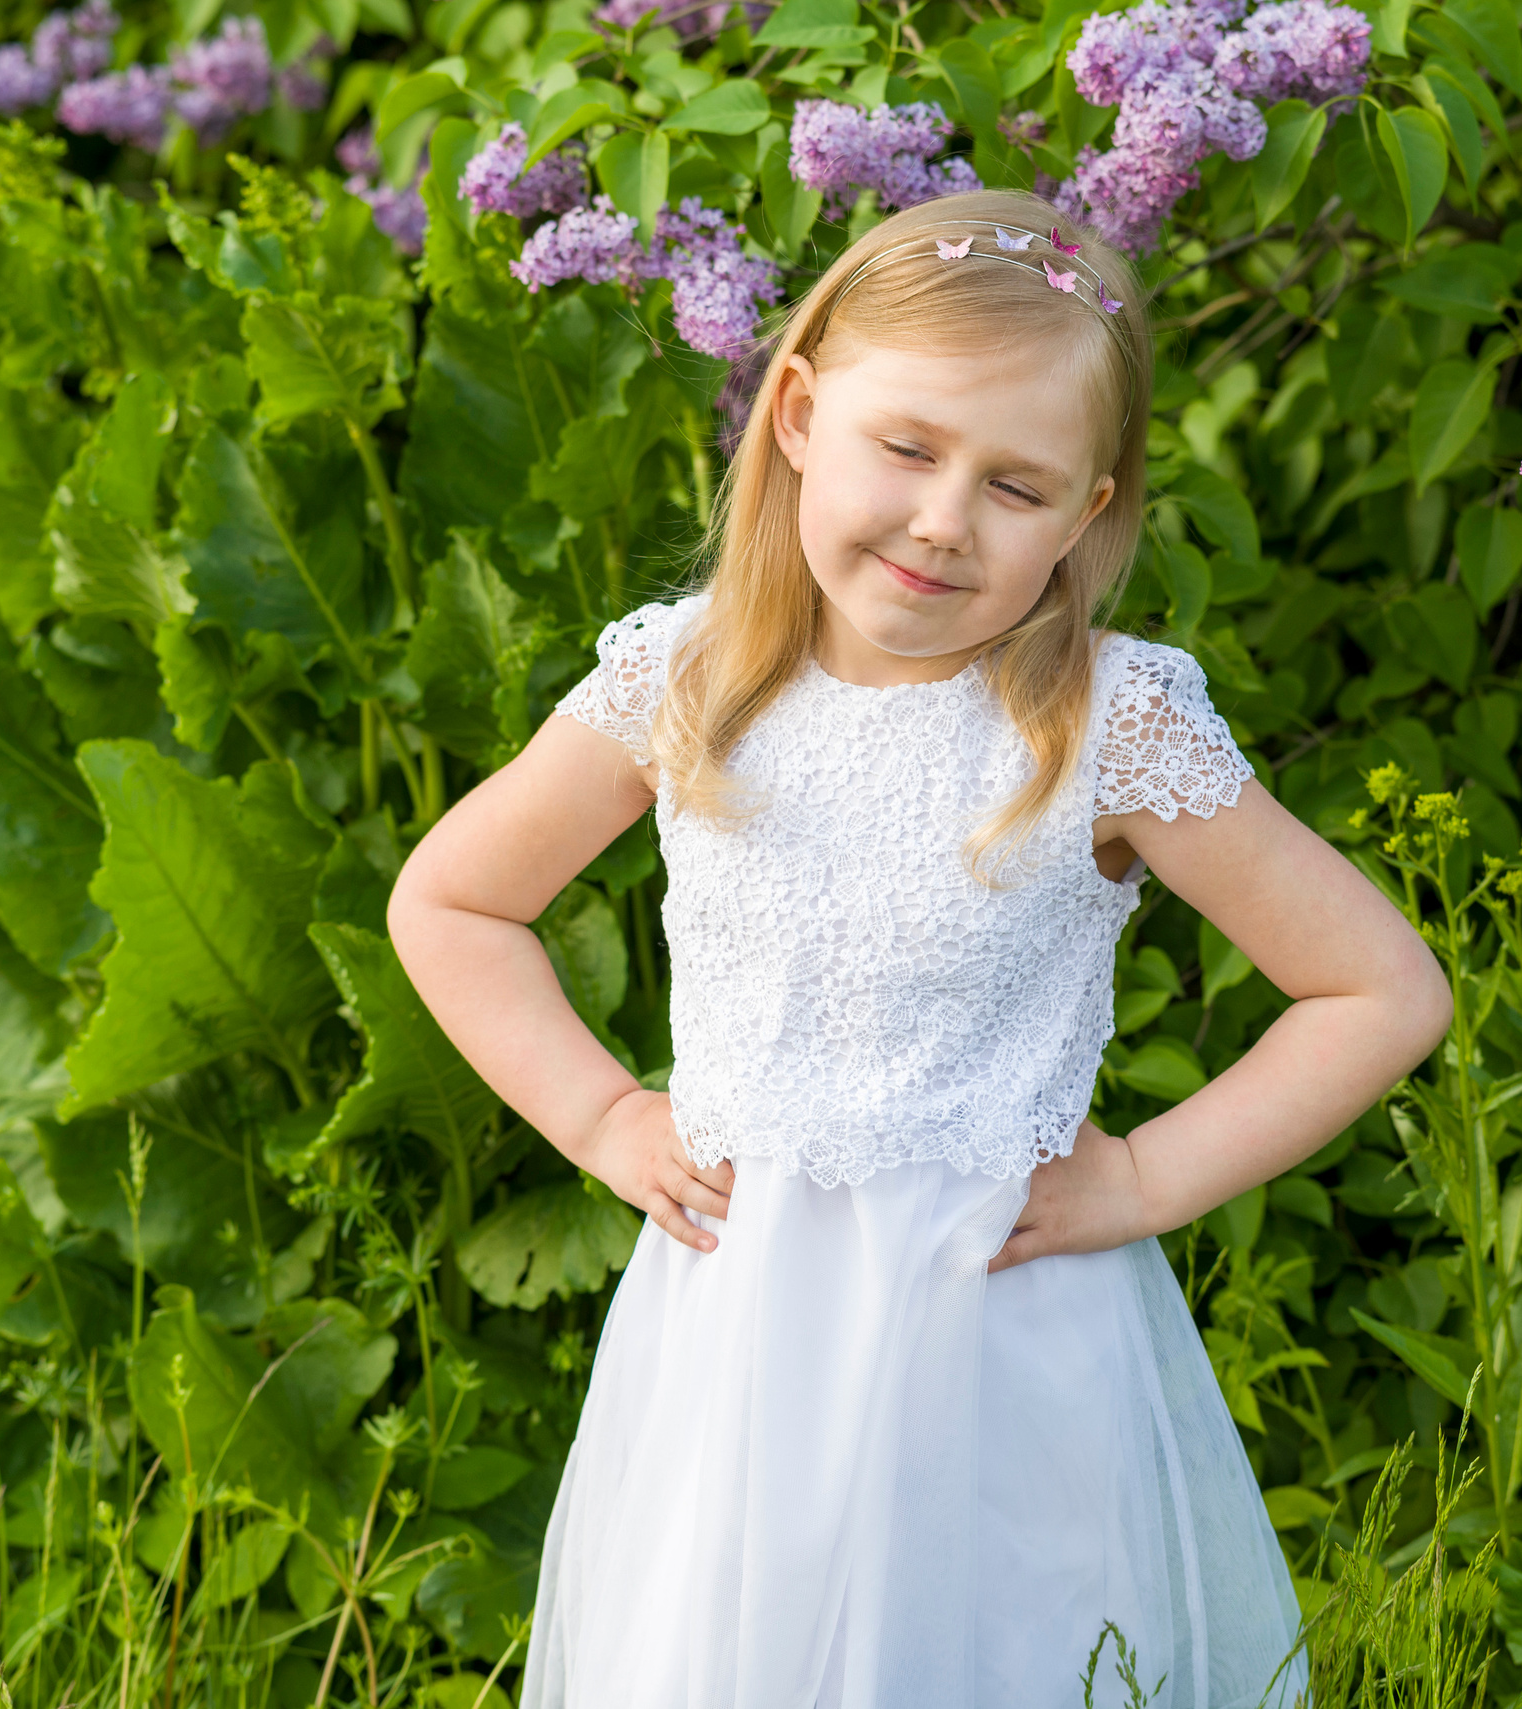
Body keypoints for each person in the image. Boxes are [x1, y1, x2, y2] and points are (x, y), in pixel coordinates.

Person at [387, 186, 1453, 1709]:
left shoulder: (1106, 722)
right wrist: (602, 1112)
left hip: (998, 1326)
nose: (947, 519)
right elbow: (451, 902)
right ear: (803, 412)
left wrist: (1147, 1178)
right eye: (908, 448)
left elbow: (1380, 987)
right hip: (746, 1330)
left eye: (1017, 486)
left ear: (1088, 513)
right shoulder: (689, 679)